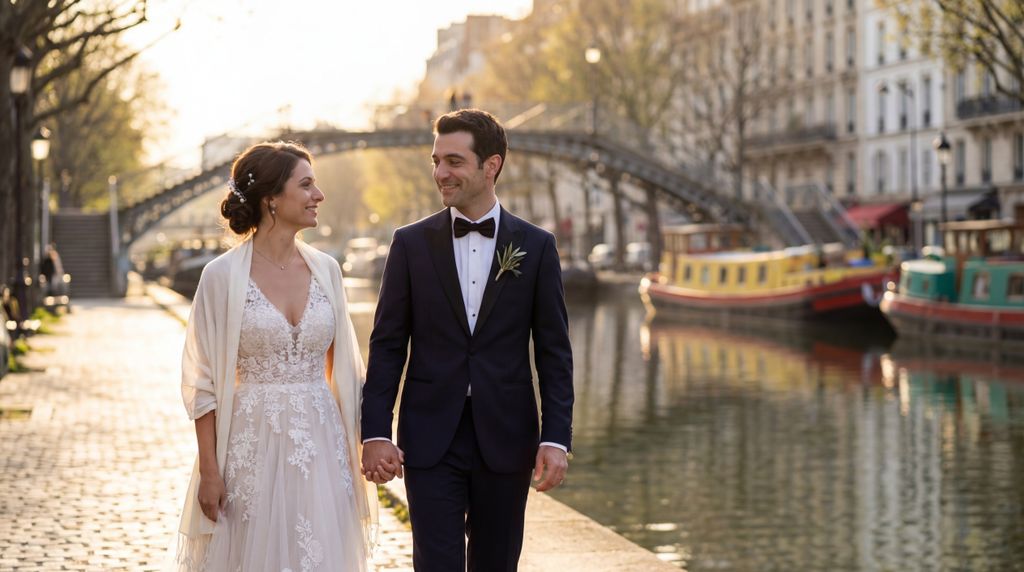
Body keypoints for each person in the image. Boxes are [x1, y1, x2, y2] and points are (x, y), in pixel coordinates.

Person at [361, 109, 575, 571]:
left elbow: (555, 354)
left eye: (454, 162)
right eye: (436, 161)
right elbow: (388, 345)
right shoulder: (409, 244)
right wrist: (376, 431)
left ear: (490, 166)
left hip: (508, 436)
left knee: (496, 564)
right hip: (429, 438)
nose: (441, 173)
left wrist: (556, 437)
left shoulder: (536, 247)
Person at [173, 141, 376, 571]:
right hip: (250, 446)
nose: (318, 195)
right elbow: (202, 383)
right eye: (305, 185)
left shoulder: (328, 270)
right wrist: (210, 472)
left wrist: (370, 442)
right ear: (271, 199)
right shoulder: (221, 277)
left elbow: (347, 373)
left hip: (322, 446)